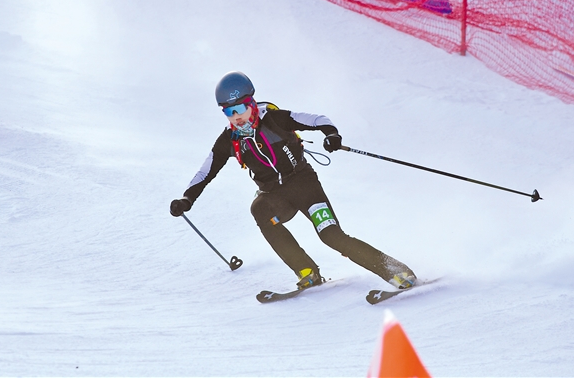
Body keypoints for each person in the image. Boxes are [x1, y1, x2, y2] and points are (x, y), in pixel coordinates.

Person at [169, 71, 416, 290]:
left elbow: (319, 120)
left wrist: (332, 135)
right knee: (259, 209)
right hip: (274, 197)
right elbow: (205, 172)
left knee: (331, 236)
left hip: (304, 186)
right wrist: (186, 199)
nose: (236, 117)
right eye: (228, 111)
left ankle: (396, 270)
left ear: (251, 103)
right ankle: (306, 271)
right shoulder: (228, 140)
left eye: (239, 108)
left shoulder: (274, 119)